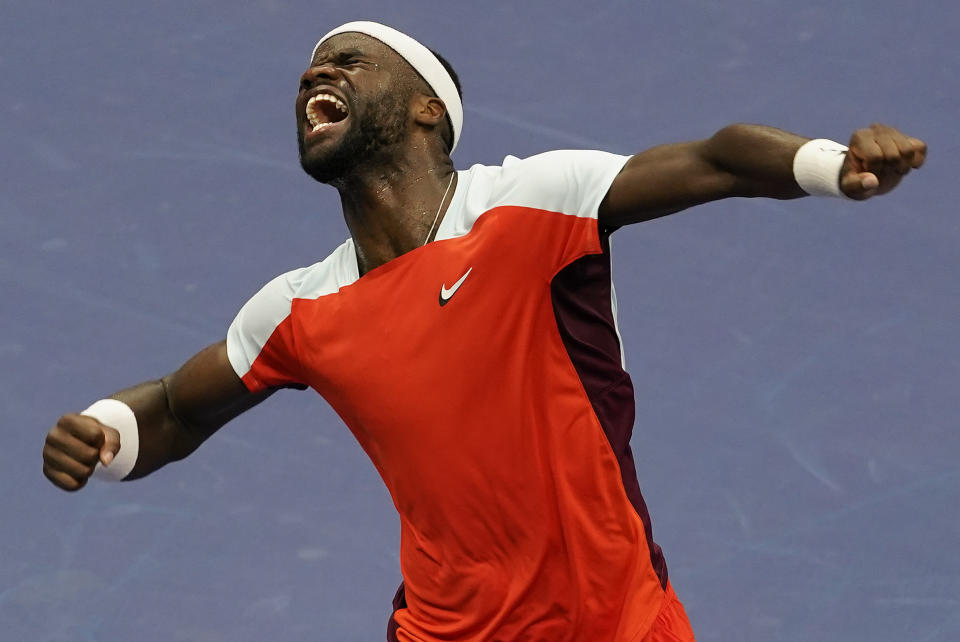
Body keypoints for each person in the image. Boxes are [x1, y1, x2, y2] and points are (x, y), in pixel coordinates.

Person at [41, 20, 926, 642]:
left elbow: (718, 158)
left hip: (620, 623)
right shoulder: (298, 309)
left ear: (429, 108)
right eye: (311, 69)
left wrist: (829, 167)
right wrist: (106, 433)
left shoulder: (532, 202)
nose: (317, 75)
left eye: (349, 61)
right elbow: (175, 407)